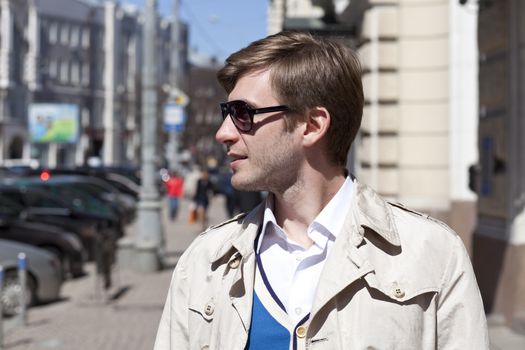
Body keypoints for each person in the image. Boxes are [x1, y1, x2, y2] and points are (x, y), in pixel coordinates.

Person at [155, 31, 488, 349]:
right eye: (227, 114)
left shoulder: (430, 253)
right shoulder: (205, 261)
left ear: (312, 126)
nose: (223, 133)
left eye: (243, 114)